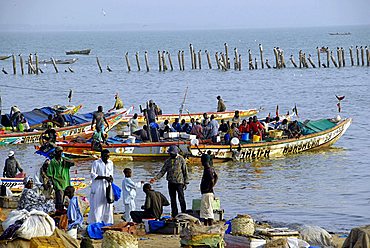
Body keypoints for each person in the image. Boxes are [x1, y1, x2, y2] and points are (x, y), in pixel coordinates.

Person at [150, 145, 188, 218]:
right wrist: (155, 178)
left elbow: (185, 171)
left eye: (172, 153)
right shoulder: (168, 161)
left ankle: (184, 213)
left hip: (179, 182)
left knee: (181, 198)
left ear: (176, 153)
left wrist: (186, 182)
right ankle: (174, 214)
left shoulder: (181, 159)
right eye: (170, 153)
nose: (170, 154)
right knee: (173, 199)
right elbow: (162, 171)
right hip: (171, 182)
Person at [88, 149, 114, 224]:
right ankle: (96, 222)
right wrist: (104, 177)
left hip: (107, 185)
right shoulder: (96, 163)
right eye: (105, 156)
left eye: (108, 156)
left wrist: (110, 179)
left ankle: (108, 222)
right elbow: (93, 175)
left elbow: (111, 173)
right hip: (98, 186)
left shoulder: (110, 163)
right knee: (97, 205)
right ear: (101, 156)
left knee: (108, 204)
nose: (107, 158)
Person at [47, 146, 75, 211]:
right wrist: (53, 184)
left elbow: (73, 163)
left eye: (61, 152)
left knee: (69, 200)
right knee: (60, 200)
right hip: (58, 183)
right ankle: (59, 212)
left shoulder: (65, 160)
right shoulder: (53, 162)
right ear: (56, 152)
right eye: (59, 152)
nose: (60, 153)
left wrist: (67, 160)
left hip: (66, 183)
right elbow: (50, 174)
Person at [200, 153, 218, 226]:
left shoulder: (208, 170)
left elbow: (212, 179)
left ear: (204, 161)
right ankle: (207, 226)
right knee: (206, 211)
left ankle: (209, 226)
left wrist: (210, 188)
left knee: (208, 212)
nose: (201, 162)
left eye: (202, 161)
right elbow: (216, 176)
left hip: (207, 193)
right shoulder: (210, 169)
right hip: (208, 193)